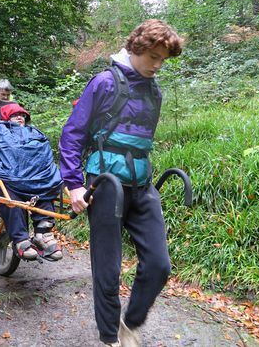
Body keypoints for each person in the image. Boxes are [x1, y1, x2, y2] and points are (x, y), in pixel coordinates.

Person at [59, 19, 184, 346]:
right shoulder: (104, 83)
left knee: (159, 264)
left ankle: (130, 323)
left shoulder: (153, 89)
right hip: (105, 185)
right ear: (136, 49)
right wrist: (73, 184)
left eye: (163, 59)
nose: (158, 65)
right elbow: (72, 135)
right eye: (153, 57)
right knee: (108, 269)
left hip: (142, 186)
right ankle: (110, 338)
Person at [0, 102, 62, 261]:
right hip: (12, 179)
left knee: (45, 192)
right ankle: (20, 239)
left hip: (35, 178)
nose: (20, 117)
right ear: (6, 117)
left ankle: (43, 235)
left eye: (23, 115)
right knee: (12, 200)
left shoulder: (35, 133)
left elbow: (44, 155)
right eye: (15, 115)